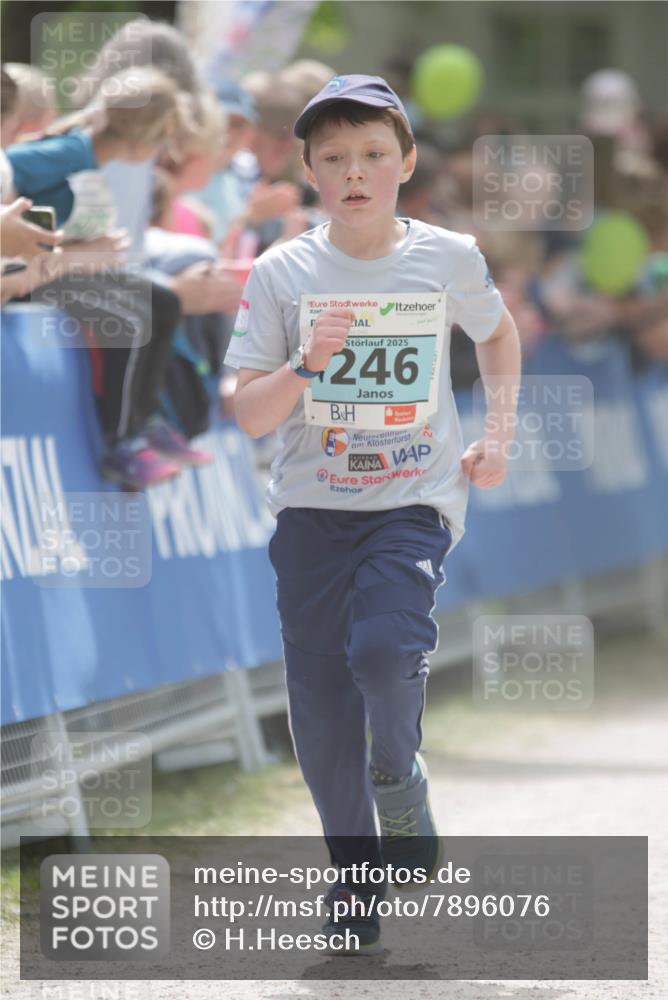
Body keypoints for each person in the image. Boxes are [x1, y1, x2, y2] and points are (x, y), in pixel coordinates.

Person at [226, 75, 521, 954]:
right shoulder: (281, 272)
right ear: (309, 170)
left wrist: (498, 435)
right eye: (335, 157)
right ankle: (355, 883)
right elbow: (249, 413)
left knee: (387, 651)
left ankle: (398, 776)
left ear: (407, 163)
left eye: (373, 154)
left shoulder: (448, 257)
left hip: (411, 501)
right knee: (321, 713)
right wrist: (306, 367)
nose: (355, 172)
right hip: (311, 512)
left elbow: (498, 333)